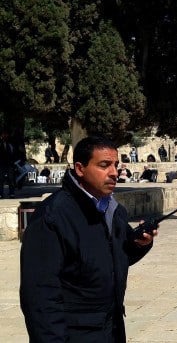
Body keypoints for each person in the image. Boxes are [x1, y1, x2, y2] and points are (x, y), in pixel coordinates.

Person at [19, 135, 157, 341]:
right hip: (74, 334)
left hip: (110, 329)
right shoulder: (53, 217)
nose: (113, 172)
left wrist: (139, 244)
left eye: (116, 165)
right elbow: (40, 296)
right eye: (104, 165)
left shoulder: (112, 209)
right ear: (80, 169)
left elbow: (111, 259)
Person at [0, 131, 17, 198]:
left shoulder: (10, 144)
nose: (5, 136)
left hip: (10, 165)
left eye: (6, 134)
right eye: (3, 134)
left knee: (11, 179)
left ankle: (11, 193)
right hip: (1, 165)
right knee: (1, 180)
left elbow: (14, 154)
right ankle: (1, 193)